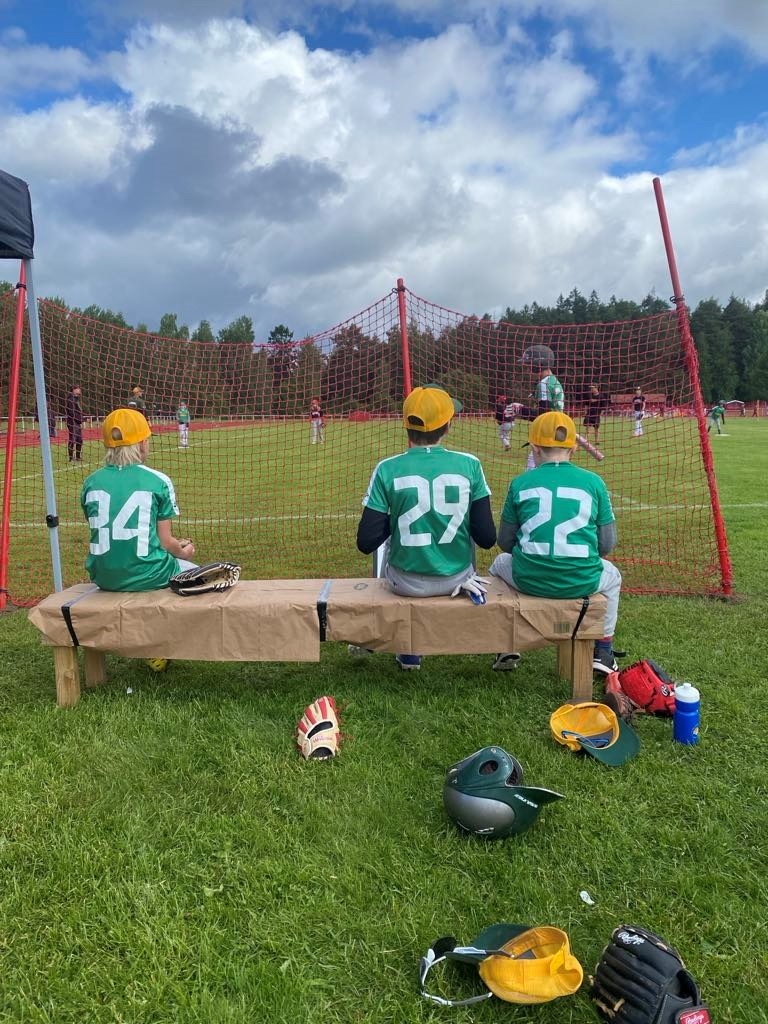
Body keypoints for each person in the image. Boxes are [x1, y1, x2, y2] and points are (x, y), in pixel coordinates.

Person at [354, 385, 496, 670]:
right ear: (448, 425)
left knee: (386, 543)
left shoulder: (387, 468)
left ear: (406, 425)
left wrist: (397, 519)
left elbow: (366, 541)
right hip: (459, 578)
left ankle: (409, 650)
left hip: (405, 584)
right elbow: (486, 538)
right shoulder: (470, 465)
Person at [489, 411, 621, 677]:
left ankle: (506, 644)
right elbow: (607, 544)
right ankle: (603, 650)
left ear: (535, 449)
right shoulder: (594, 482)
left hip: (528, 578)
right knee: (613, 577)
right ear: (573, 447)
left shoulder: (520, 483)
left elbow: (504, 541)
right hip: (581, 580)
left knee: (498, 565)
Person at [80, 408, 196, 672]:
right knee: (199, 577)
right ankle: (158, 645)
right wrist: (185, 551)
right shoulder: (158, 480)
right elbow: (167, 543)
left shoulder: (90, 482)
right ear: (143, 443)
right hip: (149, 573)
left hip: (103, 575)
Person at [518, 345, 564, 469]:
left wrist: (520, 410)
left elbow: (543, 416)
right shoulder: (554, 381)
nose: (527, 371)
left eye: (529, 366)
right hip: (558, 433)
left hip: (547, 435)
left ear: (538, 365)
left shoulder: (544, 384)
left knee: (532, 473)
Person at [65, 384, 83, 462]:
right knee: (72, 440)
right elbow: (72, 412)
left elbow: (78, 411)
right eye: (78, 388)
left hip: (77, 422)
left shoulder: (76, 399)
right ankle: (71, 458)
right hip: (72, 422)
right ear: (74, 390)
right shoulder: (71, 400)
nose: (79, 390)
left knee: (80, 440)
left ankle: (78, 457)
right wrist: (79, 419)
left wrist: (82, 418)